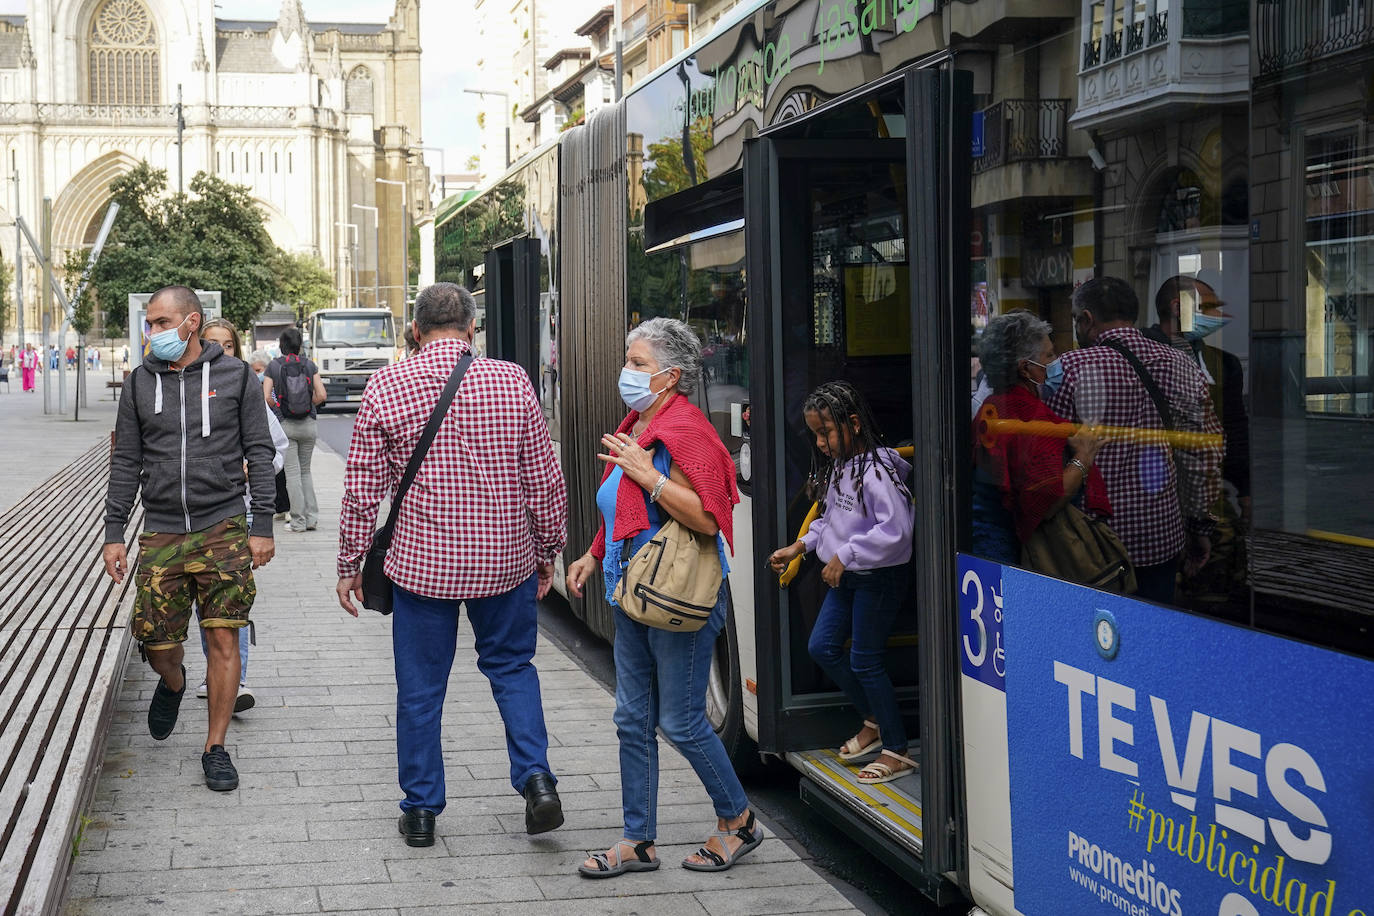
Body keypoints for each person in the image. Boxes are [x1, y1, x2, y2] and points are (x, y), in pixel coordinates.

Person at [336, 282, 569, 849]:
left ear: (415, 331)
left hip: (420, 568)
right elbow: (543, 480)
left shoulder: (386, 384)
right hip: (503, 562)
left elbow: (362, 491)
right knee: (513, 669)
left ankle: (420, 811)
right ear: (471, 329)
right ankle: (536, 781)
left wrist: (348, 563)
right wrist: (548, 550)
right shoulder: (512, 382)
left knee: (419, 690)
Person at [566, 317, 764, 879]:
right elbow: (623, 509)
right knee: (632, 718)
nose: (625, 372)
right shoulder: (639, 423)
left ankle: (739, 820)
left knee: (679, 721)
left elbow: (710, 516)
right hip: (633, 594)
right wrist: (593, 554)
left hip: (679, 598)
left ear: (670, 376)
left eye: (637, 364)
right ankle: (638, 841)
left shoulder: (687, 430)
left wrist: (648, 475)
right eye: (627, 360)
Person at [101, 285, 277, 792]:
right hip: (160, 529)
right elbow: (125, 463)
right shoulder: (139, 383)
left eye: (159, 322)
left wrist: (261, 525)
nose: (150, 332)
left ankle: (215, 747)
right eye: (150, 323)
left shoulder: (237, 376)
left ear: (191, 323)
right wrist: (115, 533)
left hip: (223, 525)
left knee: (224, 635)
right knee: (156, 640)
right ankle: (173, 680)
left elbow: (260, 452)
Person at [767, 381, 919, 784]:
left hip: (878, 579)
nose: (819, 443)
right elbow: (830, 521)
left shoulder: (877, 473)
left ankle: (898, 748)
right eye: (815, 434)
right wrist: (799, 547)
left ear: (853, 424)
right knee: (822, 646)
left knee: (865, 660)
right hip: (848, 578)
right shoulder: (842, 467)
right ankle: (873, 720)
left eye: (826, 432)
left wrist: (845, 555)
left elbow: (898, 532)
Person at [1045, 277, 1223, 605]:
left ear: (1086, 319)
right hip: (1161, 537)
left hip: (1093, 545)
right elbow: (1205, 454)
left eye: (1075, 320)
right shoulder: (1182, 364)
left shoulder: (1067, 369)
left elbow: (1046, 457)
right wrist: (1200, 526)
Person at [196, 318, 290, 712]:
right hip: (193, 519)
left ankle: (236, 678)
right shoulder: (186, 390)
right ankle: (214, 670)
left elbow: (277, 448)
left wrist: (259, 466)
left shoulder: (248, 390)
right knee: (205, 607)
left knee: (230, 602)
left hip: (242, 512)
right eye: (212, 344)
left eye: (228, 346)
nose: (220, 352)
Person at [969, 311, 1110, 564]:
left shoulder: (992, 405)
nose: (1057, 362)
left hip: (982, 538)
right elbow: (1045, 501)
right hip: (1010, 549)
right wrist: (1084, 457)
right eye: (1049, 355)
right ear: (1026, 368)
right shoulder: (1030, 418)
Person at [263, 328, 325, 532]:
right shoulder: (309, 365)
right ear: (300, 346)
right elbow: (321, 395)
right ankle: (312, 519)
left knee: (292, 474)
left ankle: (298, 521)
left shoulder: (274, 366)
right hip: (308, 424)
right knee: (306, 472)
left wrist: (281, 409)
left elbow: (267, 397)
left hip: (286, 426)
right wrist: (308, 404)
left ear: (281, 345)